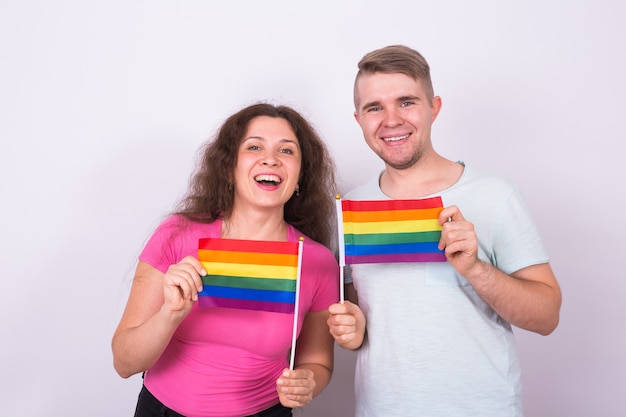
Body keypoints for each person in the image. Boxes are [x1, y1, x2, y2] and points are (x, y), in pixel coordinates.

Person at [327, 45, 562, 416]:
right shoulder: (351, 208)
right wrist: (352, 333)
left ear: (434, 107)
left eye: (406, 102)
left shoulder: (494, 194)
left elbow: (547, 316)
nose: (391, 120)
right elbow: (362, 321)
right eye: (375, 107)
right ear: (358, 120)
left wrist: (476, 269)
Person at [112, 103, 339, 417]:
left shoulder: (316, 261)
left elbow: (318, 361)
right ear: (230, 168)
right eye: (254, 146)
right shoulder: (177, 235)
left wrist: (308, 381)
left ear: (300, 176)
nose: (270, 158)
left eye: (286, 151)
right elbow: (124, 363)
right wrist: (170, 314)